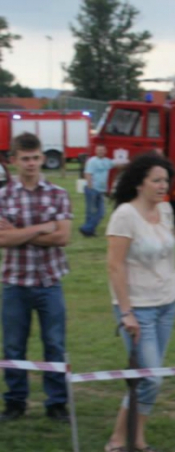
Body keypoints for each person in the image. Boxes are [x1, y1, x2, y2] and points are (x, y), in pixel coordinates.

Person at [103, 153, 175, 452]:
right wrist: (126, 313)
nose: (163, 186)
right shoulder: (124, 215)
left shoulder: (165, 210)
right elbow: (114, 265)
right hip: (138, 309)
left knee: (151, 376)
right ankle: (116, 441)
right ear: (140, 183)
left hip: (166, 304)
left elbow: (168, 254)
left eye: (166, 180)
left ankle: (138, 439)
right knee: (151, 378)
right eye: (157, 180)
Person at [0, 133, 72, 423]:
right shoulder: (4, 196)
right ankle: (16, 401)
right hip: (15, 282)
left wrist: (19, 233)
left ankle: (56, 403)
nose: (31, 163)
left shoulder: (58, 194)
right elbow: (2, 239)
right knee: (13, 346)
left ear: (42, 158)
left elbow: (63, 236)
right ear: (14, 160)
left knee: (54, 344)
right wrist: (43, 227)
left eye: (35, 157)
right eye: (25, 158)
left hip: (49, 283)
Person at [79, 144, 115, 237]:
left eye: (102, 150)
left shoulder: (107, 161)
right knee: (90, 211)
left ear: (105, 151)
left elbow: (118, 164)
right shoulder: (92, 161)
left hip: (101, 190)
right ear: (95, 151)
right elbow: (87, 173)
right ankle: (89, 231)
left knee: (101, 212)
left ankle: (86, 228)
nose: (101, 152)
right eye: (99, 150)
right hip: (92, 189)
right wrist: (90, 187)